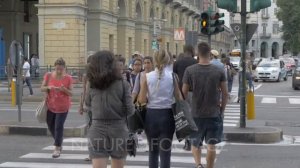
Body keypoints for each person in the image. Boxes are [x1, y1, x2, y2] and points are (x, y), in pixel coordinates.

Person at [85, 50, 134, 168]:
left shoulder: (91, 84)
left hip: (97, 129)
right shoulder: (123, 84)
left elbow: (88, 104)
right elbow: (130, 110)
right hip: (118, 129)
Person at [182, 42, 228, 168]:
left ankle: (198, 165)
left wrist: (186, 110)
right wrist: (222, 109)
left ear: (197, 54)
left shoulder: (190, 71)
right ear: (210, 54)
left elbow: (183, 94)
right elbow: (225, 93)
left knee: (195, 143)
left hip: (195, 113)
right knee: (211, 145)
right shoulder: (219, 70)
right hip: (214, 113)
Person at [138, 50, 175, 168]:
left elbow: (141, 100)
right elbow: (179, 98)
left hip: (151, 116)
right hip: (167, 115)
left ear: (154, 61)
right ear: (168, 60)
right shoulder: (173, 76)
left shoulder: (147, 77)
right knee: (165, 152)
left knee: (153, 151)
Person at [41, 58, 73, 158]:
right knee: (51, 125)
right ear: (54, 67)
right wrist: (48, 88)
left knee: (58, 126)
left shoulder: (68, 78)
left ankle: (57, 148)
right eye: (57, 69)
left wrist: (64, 89)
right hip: (50, 105)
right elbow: (42, 87)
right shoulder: (48, 75)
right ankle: (58, 141)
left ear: (64, 68)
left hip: (63, 107)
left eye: (61, 69)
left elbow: (71, 93)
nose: (59, 71)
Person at [173, 45, 198, 151]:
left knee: (184, 117)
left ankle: (187, 140)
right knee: (193, 116)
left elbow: (173, 78)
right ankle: (193, 139)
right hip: (193, 92)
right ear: (192, 50)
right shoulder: (195, 62)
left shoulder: (177, 63)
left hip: (180, 93)